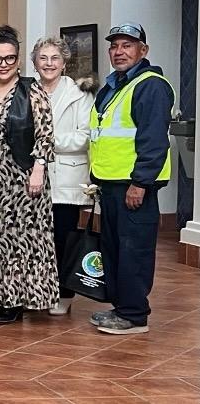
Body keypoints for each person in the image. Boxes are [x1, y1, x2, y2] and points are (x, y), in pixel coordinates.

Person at [0, 25, 58, 325]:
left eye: (9, 58)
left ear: (18, 60)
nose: (3, 64)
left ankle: (15, 300)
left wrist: (39, 169)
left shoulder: (32, 90)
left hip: (23, 177)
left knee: (20, 241)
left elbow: (45, 133)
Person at [88, 22, 174, 334]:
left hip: (134, 187)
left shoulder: (150, 85)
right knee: (115, 249)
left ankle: (134, 315)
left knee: (133, 250)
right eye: (115, 46)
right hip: (111, 184)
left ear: (143, 51)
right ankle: (122, 308)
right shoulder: (117, 86)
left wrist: (140, 183)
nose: (119, 51)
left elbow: (153, 140)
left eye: (127, 45)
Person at [31, 36, 95, 316]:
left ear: (64, 62)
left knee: (62, 239)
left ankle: (64, 293)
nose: (49, 64)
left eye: (54, 58)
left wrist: (46, 140)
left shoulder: (80, 94)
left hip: (66, 179)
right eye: (43, 58)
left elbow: (84, 137)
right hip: (33, 177)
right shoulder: (27, 91)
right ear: (35, 62)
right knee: (36, 239)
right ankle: (37, 292)